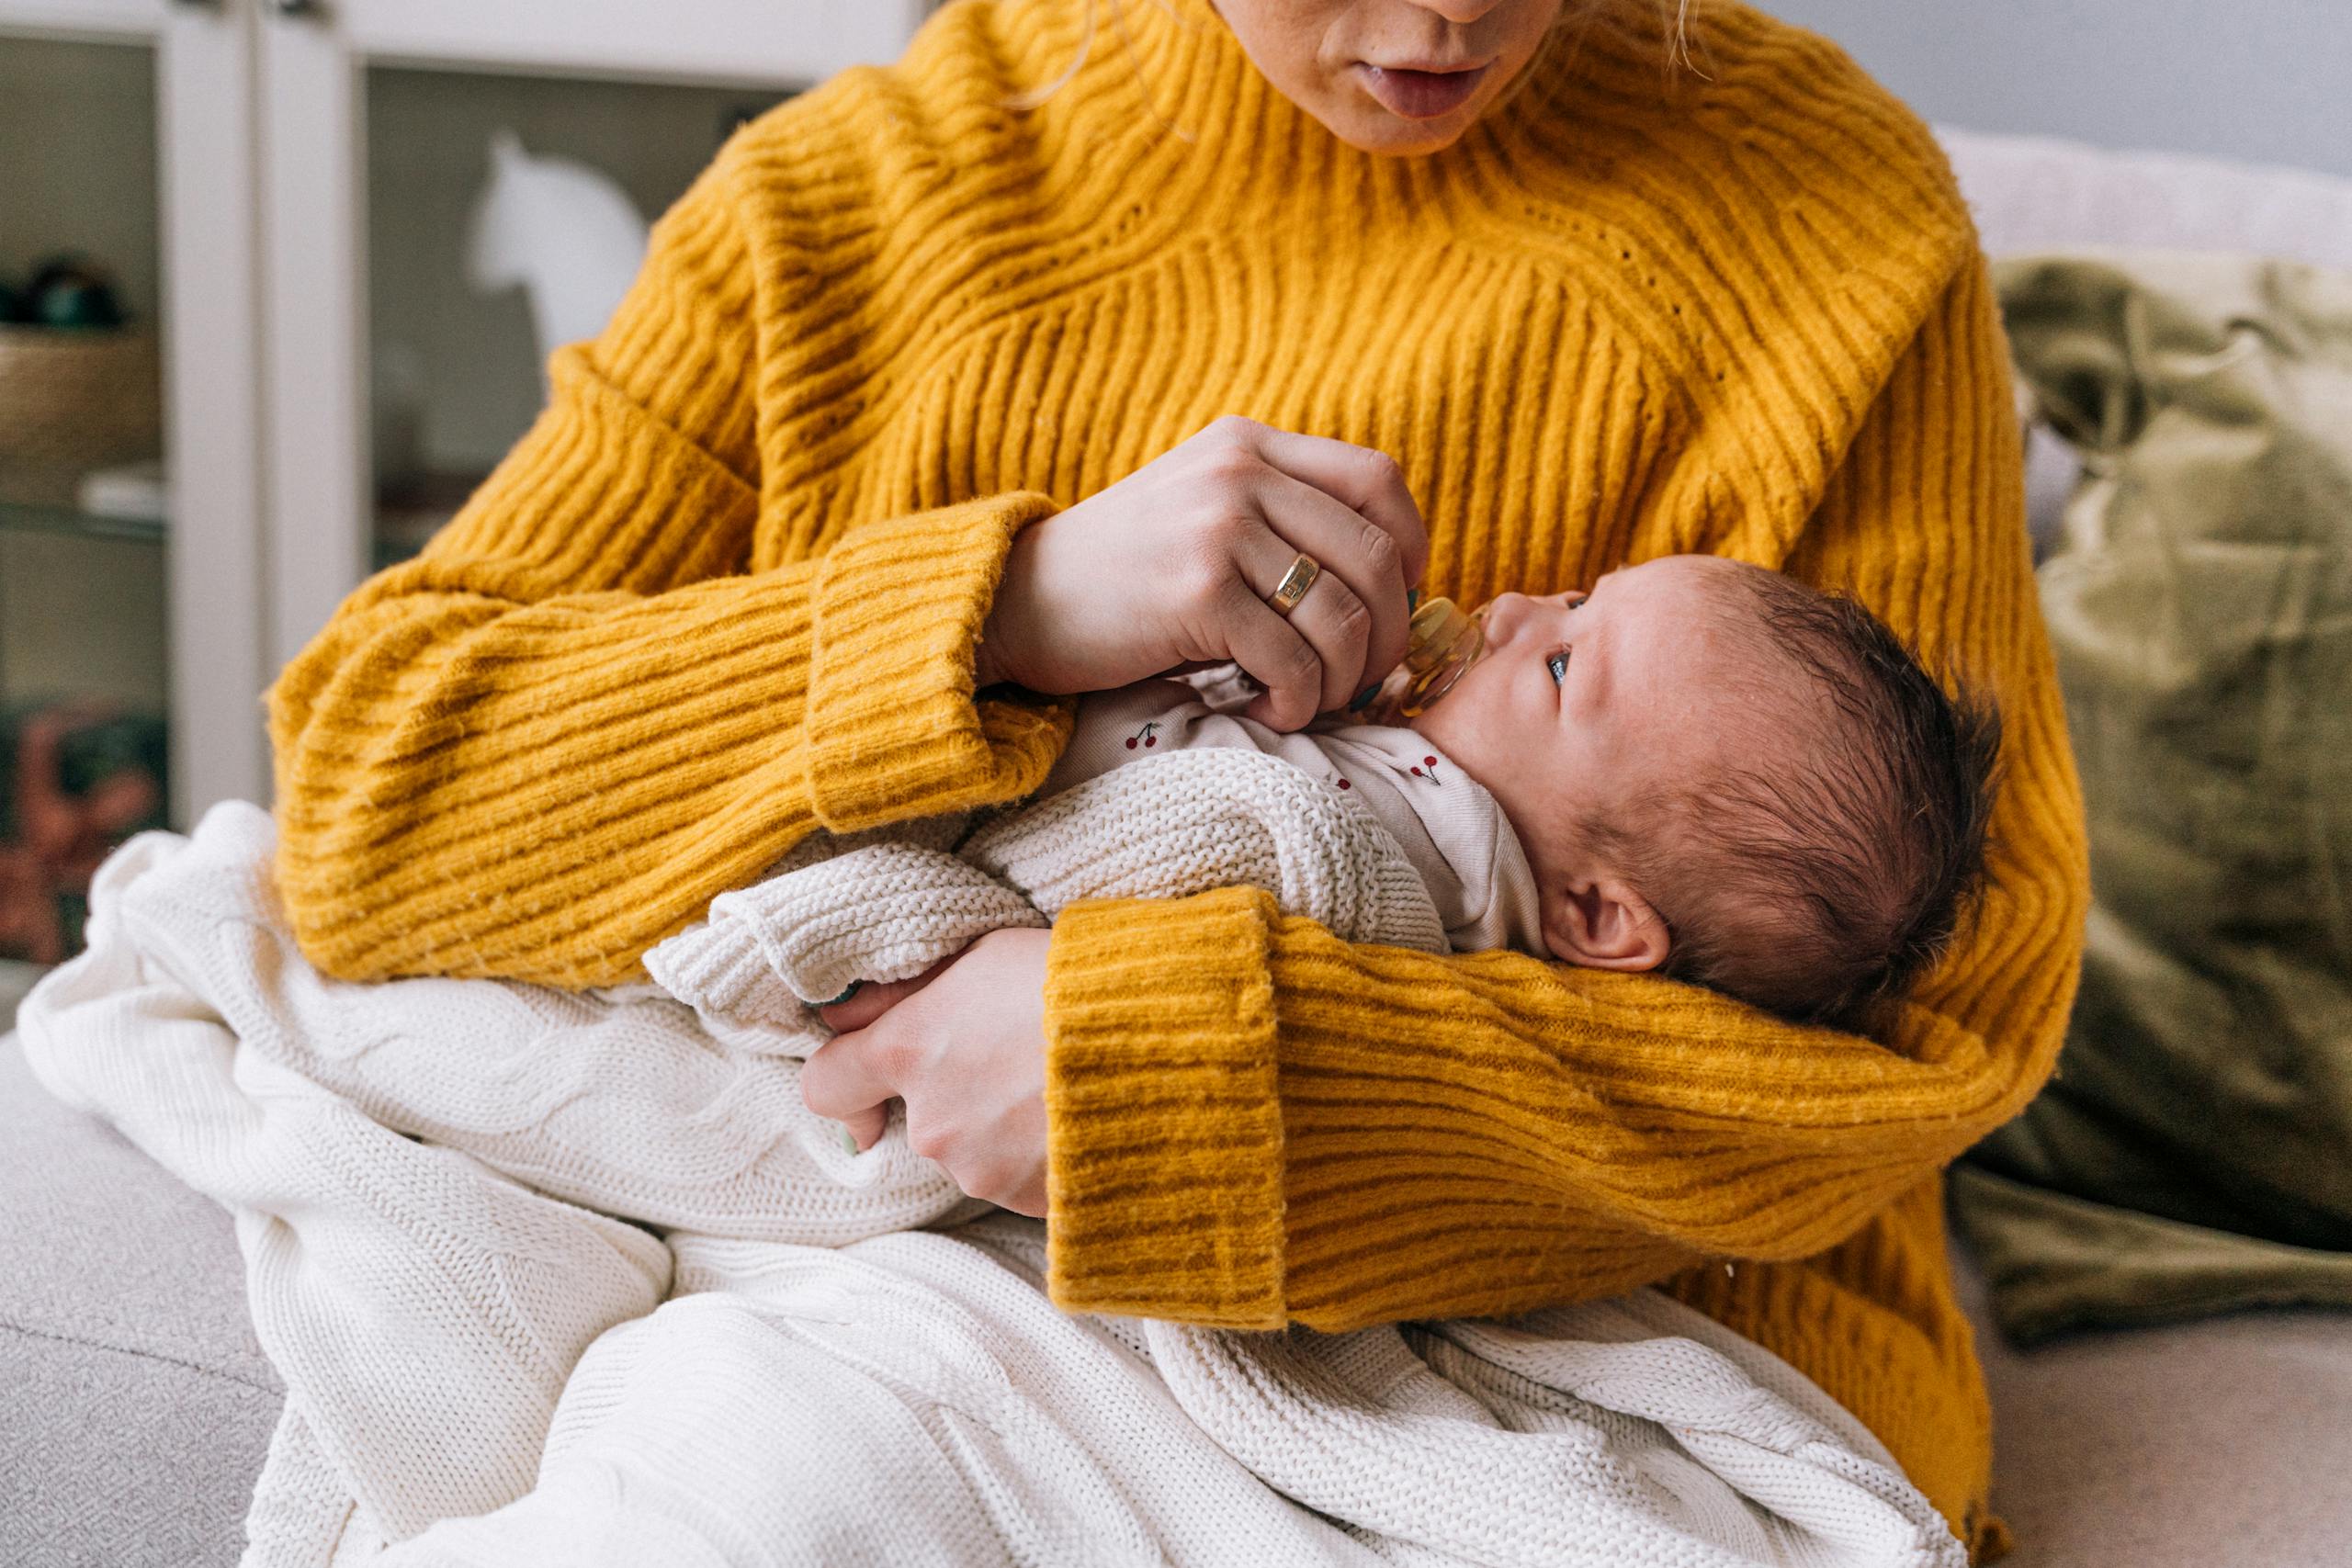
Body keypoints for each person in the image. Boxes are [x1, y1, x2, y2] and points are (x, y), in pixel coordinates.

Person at [267, 0, 2088, 1553]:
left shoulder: (1822, 220)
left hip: (1612, 1357)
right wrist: (994, 611)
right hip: (870, 1276)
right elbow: (365, 798)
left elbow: (1921, 1016)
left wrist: (1176, 1079)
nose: (1441, 22)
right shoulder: (848, 202)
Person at [1022, 555, 2002, 1026]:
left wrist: (1172, 641)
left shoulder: (1413, 844)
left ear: (1592, 912)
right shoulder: (1416, 781)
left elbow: (1125, 778)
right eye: (1578, 599)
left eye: (1563, 667)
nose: (1518, 610)